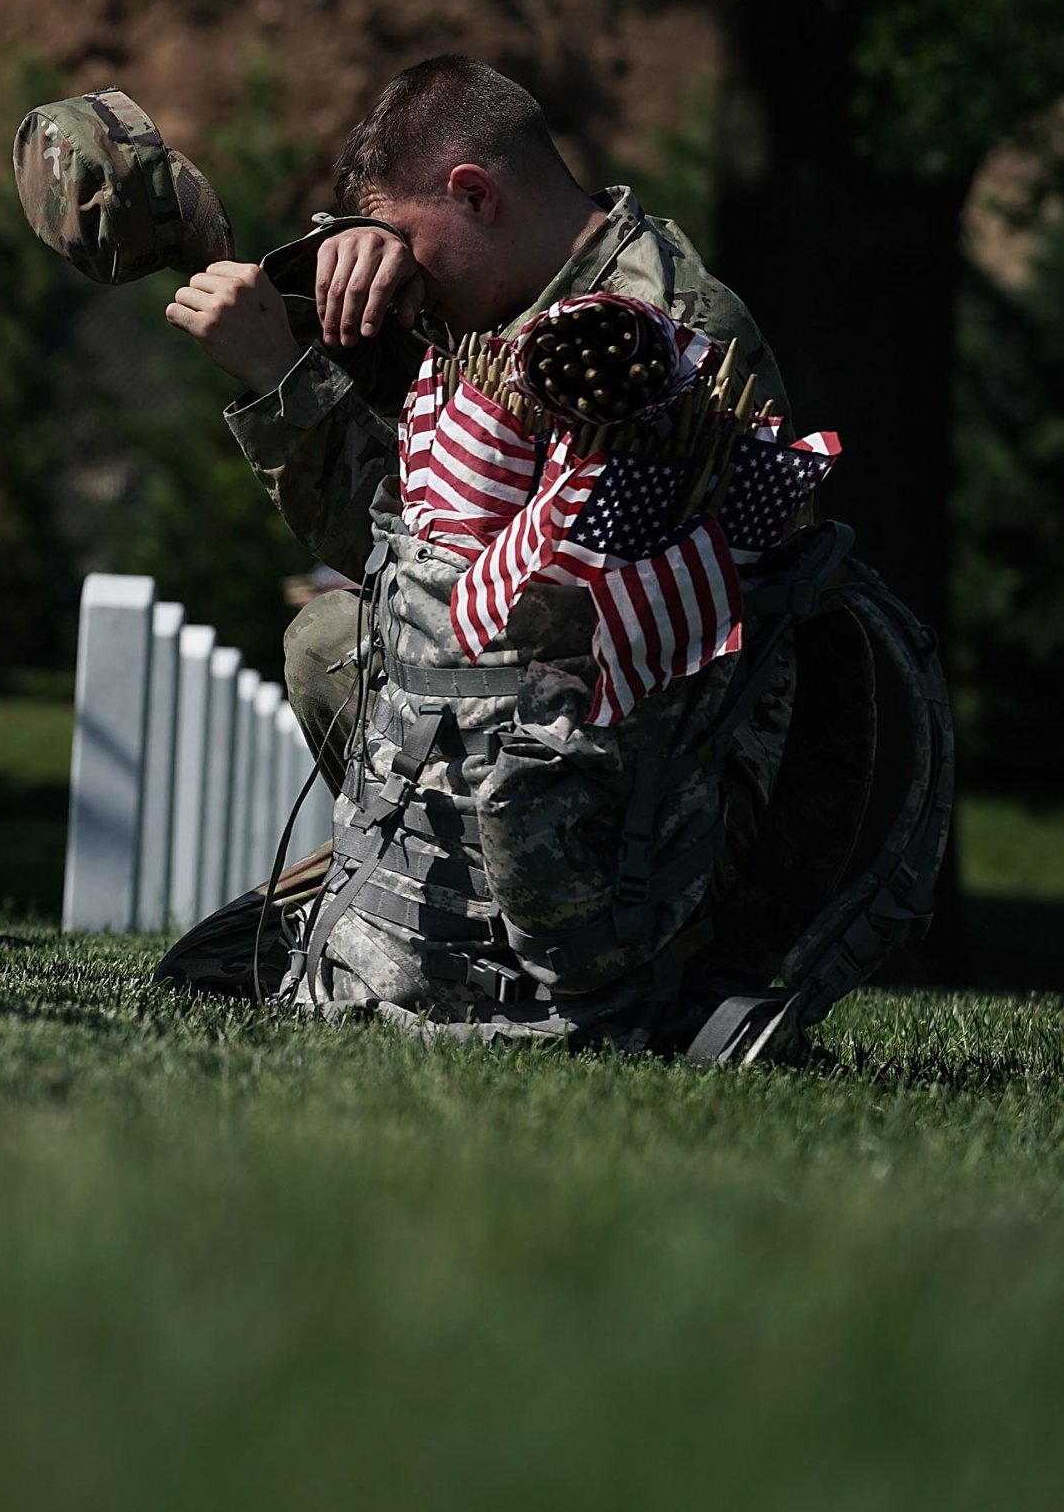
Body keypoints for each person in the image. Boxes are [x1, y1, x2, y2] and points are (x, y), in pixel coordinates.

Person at [158, 55, 827, 1053]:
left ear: (474, 192)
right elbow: (414, 563)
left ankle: (606, 967)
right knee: (327, 640)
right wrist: (353, 290)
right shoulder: (496, 297)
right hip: (512, 734)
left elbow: (477, 601)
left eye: (412, 240)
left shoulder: (656, 330)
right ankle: (419, 892)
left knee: (365, 641)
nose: (409, 272)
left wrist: (278, 382)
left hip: (640, 777)